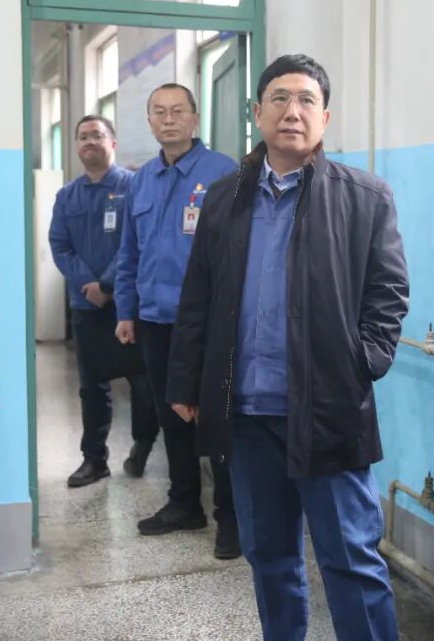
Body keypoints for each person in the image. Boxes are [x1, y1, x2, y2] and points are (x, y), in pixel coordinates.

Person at [167, 54, 409, 641]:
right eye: (279, 98)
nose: (292, 111)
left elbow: (388, 294)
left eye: (306, 100)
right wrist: (187, 381)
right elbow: (198, 296)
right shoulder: (224, 198)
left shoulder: (364, 197)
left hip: (327, 412)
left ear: (325, 117)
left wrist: (360, 364)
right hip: (248, 415)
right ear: (257, 113)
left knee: (351, 560)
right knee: (269, 557)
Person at [113, 83, 240, 559]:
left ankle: (232, 517)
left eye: (178, 111)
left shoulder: (224, 173)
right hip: (155, 321)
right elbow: (128, 252)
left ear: (195, 118)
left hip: (207, 324)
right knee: (172, 417)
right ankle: (185, 503)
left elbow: (238, 253)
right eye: (159, 112)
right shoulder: (141, 180)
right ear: (149, 121)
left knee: (218, 419)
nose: (168, 119)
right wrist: (125, 310)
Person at [49, 114, 158, 486]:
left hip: (129, 304)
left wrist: (108, 285)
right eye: (82, 137)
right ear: (77, 147)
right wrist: (88, 285)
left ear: (113, 143)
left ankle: (143, 444)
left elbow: (139, 241)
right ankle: (94, 459)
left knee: (142, 383)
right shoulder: (67, 196)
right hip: (86, 307)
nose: (89, 141)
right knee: (92, 386)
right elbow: (60, 246)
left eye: (97, 135)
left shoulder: (134, 187)